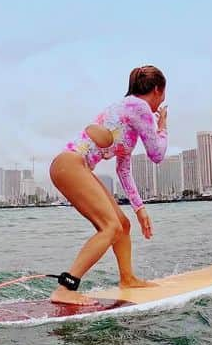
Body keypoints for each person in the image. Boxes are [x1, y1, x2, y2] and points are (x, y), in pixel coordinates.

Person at [48, 65, 169, 305]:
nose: (161, 102)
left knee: (122, 225)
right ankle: (66, 288)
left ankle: (128, 279)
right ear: (157, 90)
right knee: (111, 227)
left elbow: (123, 170)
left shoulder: (128, 117)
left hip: (75, 166)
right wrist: (162, 126)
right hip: (70, 165)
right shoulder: (140, 107)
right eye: (163, 95)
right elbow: (157, 153)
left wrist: (139, 209)